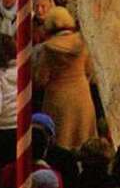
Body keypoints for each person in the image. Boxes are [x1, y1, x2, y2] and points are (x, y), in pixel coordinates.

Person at [33, 9, 97, 151]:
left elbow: (41, 78)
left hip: (58, 100)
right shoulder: (82, 42)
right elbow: (90, 70)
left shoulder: (48, 49)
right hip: (82, 97)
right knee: (84, 142)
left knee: (60, 145)